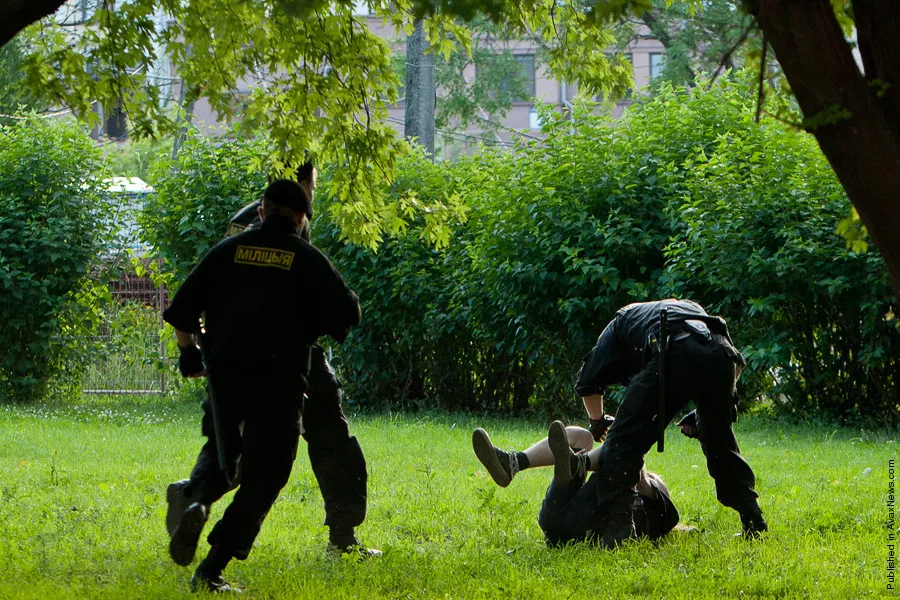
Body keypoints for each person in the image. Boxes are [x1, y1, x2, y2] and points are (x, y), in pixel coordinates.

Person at [166, 161, 377, 567]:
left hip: (232, 366)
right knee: (266, 465)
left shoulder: (244, 236)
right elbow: (345, 311)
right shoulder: (290, 239)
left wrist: (191, 352)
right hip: (287, 367)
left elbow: (185, 307)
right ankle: (205, 530)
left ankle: (197, 499)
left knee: (236, 446)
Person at [574, 298, 767, 548]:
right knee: (721, 444)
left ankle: (619, 532)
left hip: (674, 352)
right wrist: (703, 413)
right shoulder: (690, 309)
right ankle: (754, 520)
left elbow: (588, 382)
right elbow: (734, 359)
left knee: (622, 442)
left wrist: (597, 422)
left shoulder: (619, 324)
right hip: (722, 358)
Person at [472, 420, 680, 546]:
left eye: (657, 480)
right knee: (583, 437)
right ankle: (513, 463)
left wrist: (632, 454)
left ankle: (579, 463)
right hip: (556, 519)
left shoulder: (664, 512)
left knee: (621, 450)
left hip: (578, 527)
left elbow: (639, 478)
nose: (654, 476)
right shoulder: (621, 483)